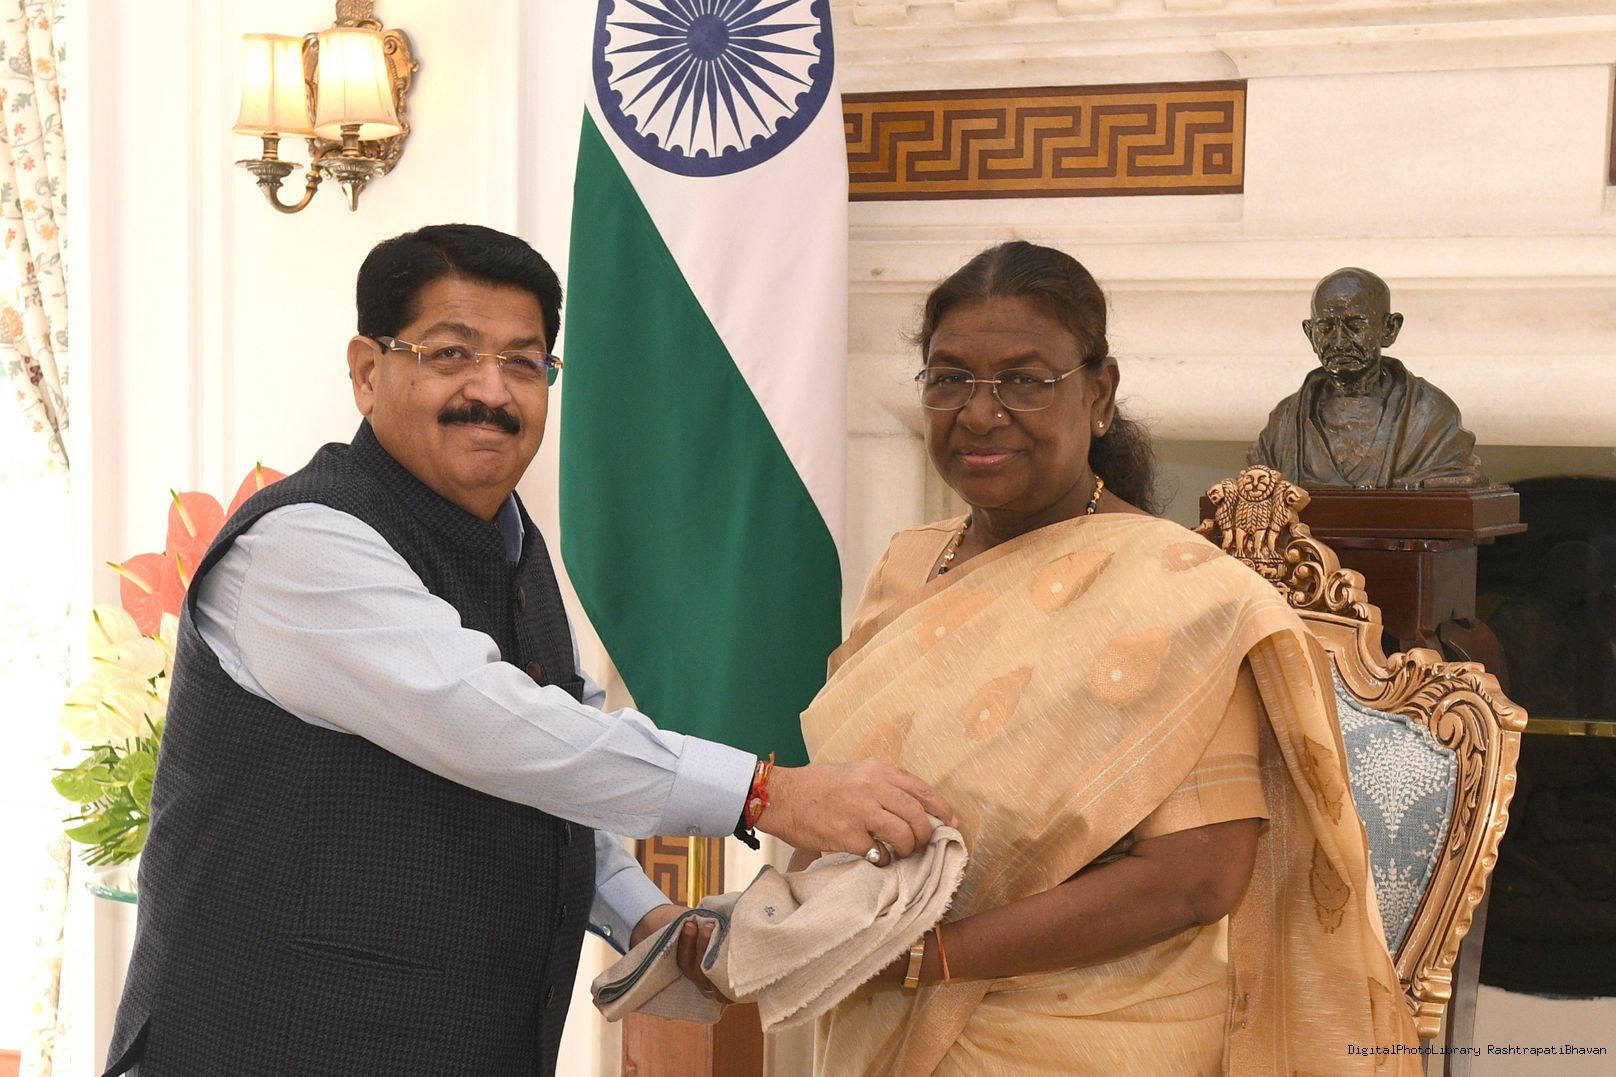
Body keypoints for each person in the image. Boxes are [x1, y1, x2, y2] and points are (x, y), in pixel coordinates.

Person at [103, 224, 952, 1077]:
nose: (491, 391)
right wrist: (768, 793)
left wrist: (644, 916)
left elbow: (545, 781)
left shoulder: (513, 545)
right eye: (450, 354)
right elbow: (495, 728)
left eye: (523, 362)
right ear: (366, 371)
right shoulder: (300, 547)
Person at [797, 242, 1420, 1074]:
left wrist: (922, 960)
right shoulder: (908, 565)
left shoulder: (1185, 594)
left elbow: (1196, 878)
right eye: (950, 378)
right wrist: (785, 922)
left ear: (1099, 395)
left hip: (1092, 1031)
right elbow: (842, 806)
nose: (979, 413)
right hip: (875, 1006)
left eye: (1024, 380)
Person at [1248, 267, 1484, 488]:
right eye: (1326, 327)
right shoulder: (1283, 425)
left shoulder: (1430, 416)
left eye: (1355, 326)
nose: (1339, 342)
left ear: (1389, 329)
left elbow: (1456, 481)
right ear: (1310, 333)